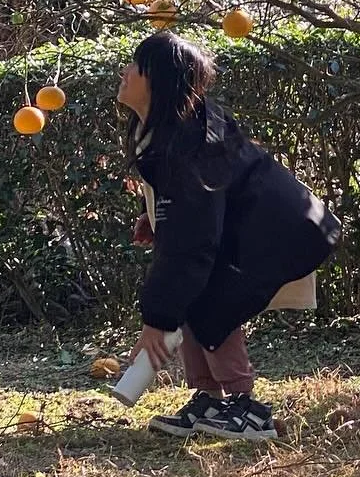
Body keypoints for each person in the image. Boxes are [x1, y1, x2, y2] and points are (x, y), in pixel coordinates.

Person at [117, 31, 340, 442]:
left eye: (137, 65)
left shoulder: (193, 145)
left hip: (285, 231)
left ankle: (244, 405)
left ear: (160, 81)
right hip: (255, 224)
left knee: (211, 297)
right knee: (194, 289)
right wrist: (154, 216)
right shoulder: (170, 131)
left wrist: (156, 319)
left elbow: (192, 242)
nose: (125, 71)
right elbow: (189, 206)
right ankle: (209, 399)